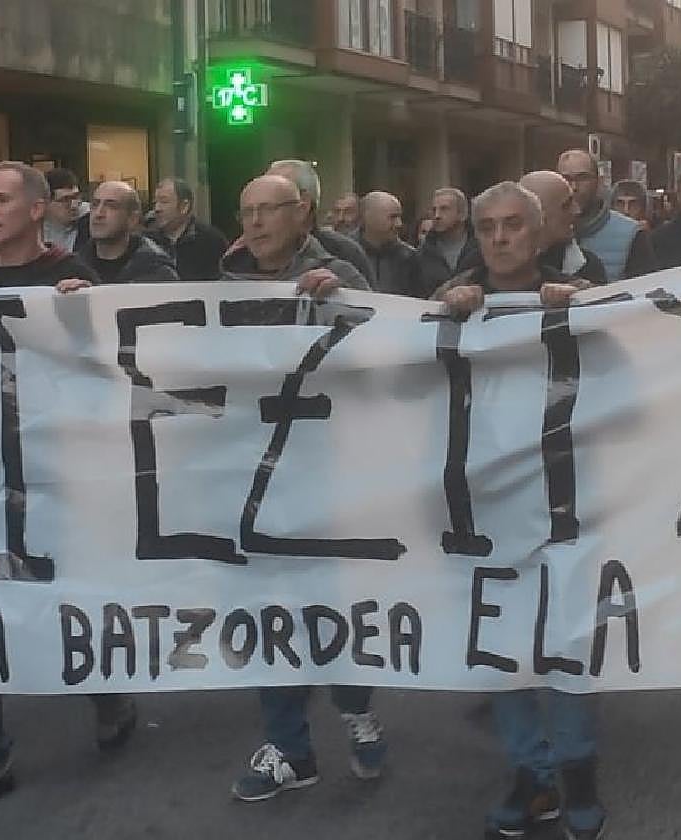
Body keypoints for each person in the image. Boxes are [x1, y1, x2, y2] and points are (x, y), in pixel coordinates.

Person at [0, 161, 138, 815]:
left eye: (2, 199)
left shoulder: (67, 280)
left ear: (39, 210)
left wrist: (84, 314)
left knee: (59, 592)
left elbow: (103, 366)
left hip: (52, 468)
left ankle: (105, 690)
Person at [431, 184, 605, 840]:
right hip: (480, 504)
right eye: (487, 227)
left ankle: (578, 775)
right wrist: (442, 312)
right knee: (499, 646)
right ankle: (532, 776)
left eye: (513, 226)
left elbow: (627, 362)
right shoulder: (448, 299)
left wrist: (582, 309)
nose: (500, 238)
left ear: (538, 235)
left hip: (564, 499)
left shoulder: (577, 291)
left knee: (564, 644)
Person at [224, 175, 377, 802]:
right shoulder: (227, 275)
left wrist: (344, 302)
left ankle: (355, 708)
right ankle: (289, 747)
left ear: (302, 214)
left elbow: (390, 343)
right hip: (250, 471)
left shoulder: (342, 268)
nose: (256, 224)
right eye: (248, 211)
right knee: (269, 609)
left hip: (328, 468)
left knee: (330, 604)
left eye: (269, 211)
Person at [266, 159, 374, 287]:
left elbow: (370, 304)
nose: (256, 219)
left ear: (303, 204)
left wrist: (343, 292)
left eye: (270, 203)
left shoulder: (345, 253)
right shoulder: (243, 255)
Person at [557, 149, 656, 281]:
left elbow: (645, 291)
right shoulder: (542, 231)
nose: (574, 187)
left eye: (583, 178)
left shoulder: (632, 234)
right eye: (566, 179)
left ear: (598, 181)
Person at [77, 180, 179, 284]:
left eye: (111, 206)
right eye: (94, 205)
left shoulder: (157, 271)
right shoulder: (74, 267)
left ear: (132, 218)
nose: (98, 214)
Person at [519, 170, 606, 284]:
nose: (577, 211)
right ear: (538, 215)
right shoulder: (498, 268)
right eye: (566, 205)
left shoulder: (588, 266)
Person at [147, 176, 228, 281]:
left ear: (184, 206)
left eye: (164, 202)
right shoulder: (148, 241)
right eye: (155, 203)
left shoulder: (212, 240)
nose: (157, 209)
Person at [417, 186, 483, 294]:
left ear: (462, 214)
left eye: (444, 209)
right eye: (434, 210)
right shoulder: (423, 253)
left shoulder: (482, 247)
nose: (437, 216)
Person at [356, 190, 422, 296]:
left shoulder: (410, 257)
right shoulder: (344, 252)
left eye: (399, 217)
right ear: (368, 217)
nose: (399, 224)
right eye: (392, 217)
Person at [42, 168, 90, 253]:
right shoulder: (33, 231)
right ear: (46, 204)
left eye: (76, 197)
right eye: (66, 199)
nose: (74, 205)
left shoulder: (91, 217)